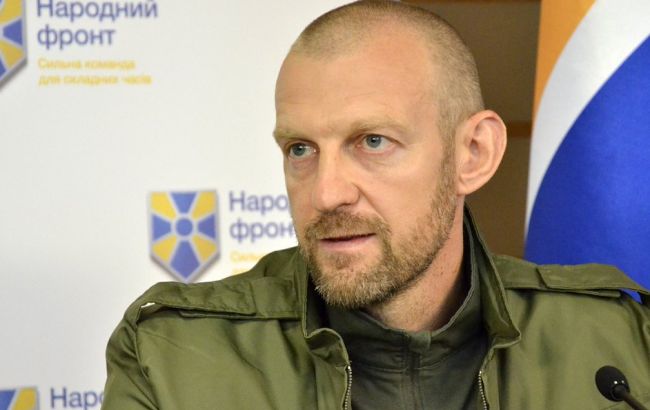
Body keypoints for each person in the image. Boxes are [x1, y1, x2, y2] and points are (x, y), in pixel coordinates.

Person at [101, 2, 650, 409]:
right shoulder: (173, 355)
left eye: (372, 142)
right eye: (300, 149)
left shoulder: (620, 343)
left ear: (473, 154)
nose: (326, 193)